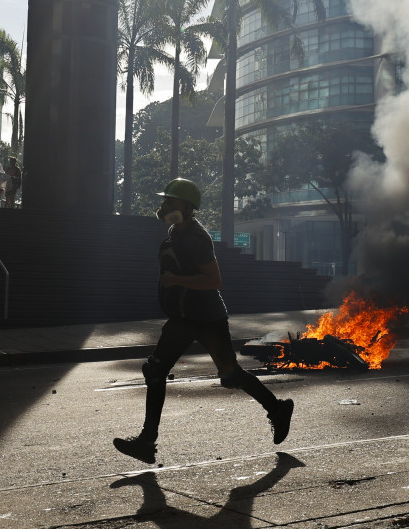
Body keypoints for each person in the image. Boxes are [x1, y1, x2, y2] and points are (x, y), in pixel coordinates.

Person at [113, 178, 294, 464]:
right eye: (165, 200)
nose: (164, 206)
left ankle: (278, 410)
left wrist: (175, 280)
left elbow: (214, 280)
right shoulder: (175, 232)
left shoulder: (197, 238)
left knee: (231, 375)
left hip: (208, 318)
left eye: (170, 201)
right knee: (155, 370)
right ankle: (147, 442)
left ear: (185, 206)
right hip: (184, 318)